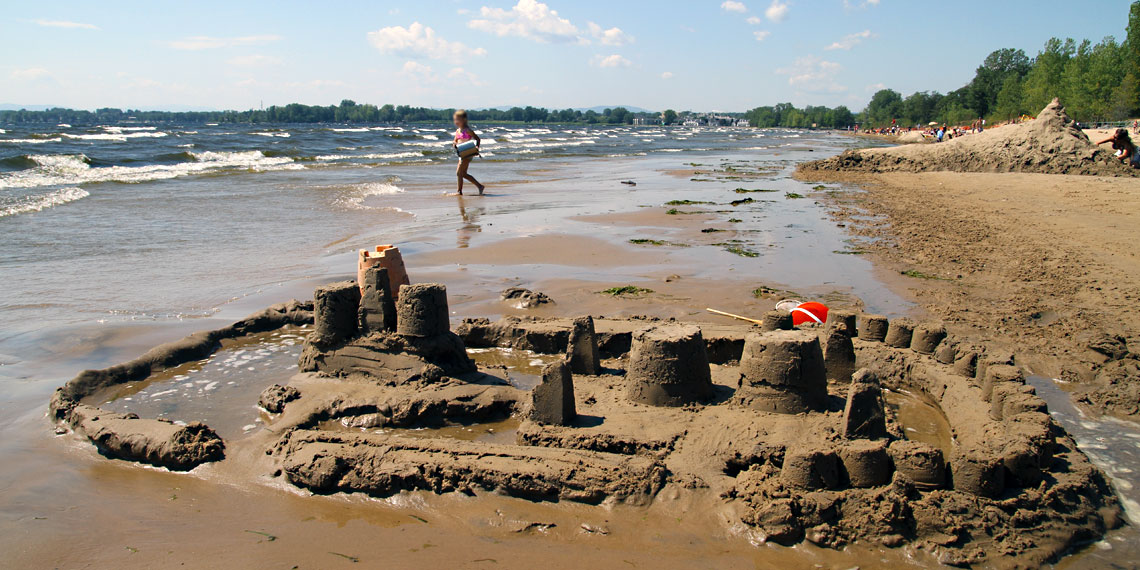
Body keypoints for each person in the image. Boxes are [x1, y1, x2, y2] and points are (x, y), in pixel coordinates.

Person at [452, 109, 484, 195]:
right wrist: (454, 144)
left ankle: (459, 191)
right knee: (463, 174)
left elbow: (477, 138)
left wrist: (477, 147)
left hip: (468, 153)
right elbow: (455, 141)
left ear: (464, 120)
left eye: (458, 119)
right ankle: (480, 186)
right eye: (455, 119)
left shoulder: (467, 130)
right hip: (460, 153)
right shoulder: (458, 131)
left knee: (459, 172)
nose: (456, 121)